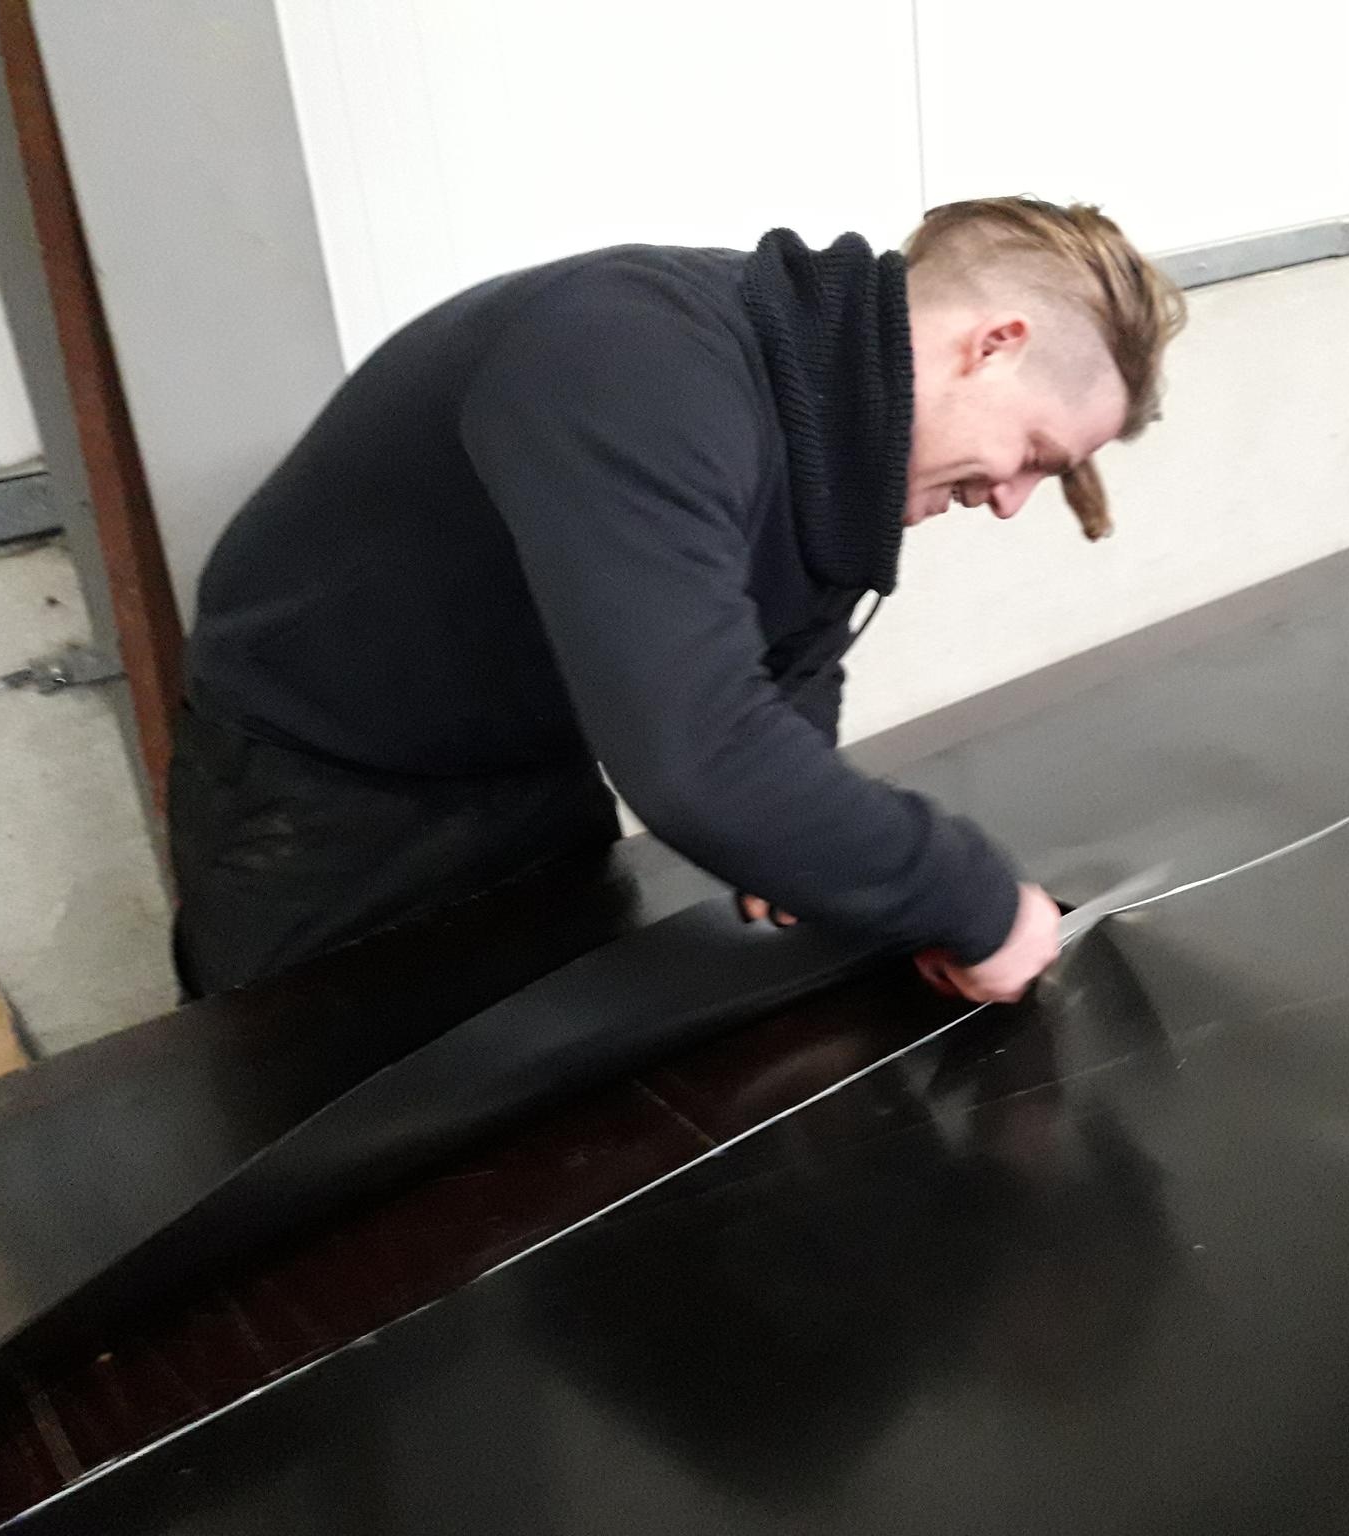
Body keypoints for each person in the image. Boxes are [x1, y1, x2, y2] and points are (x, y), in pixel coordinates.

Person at [168, 196, 1186, 1002]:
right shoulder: (628, 358)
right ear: (994, 342)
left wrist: (799, 851)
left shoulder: (828, 415)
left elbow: (789, 647)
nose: (1009, 500)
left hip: (532, 764)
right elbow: (698, 756)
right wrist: (974, 900)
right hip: (323, 795)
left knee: (546, 1122)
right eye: (1034, 455)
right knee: (315, 1136)